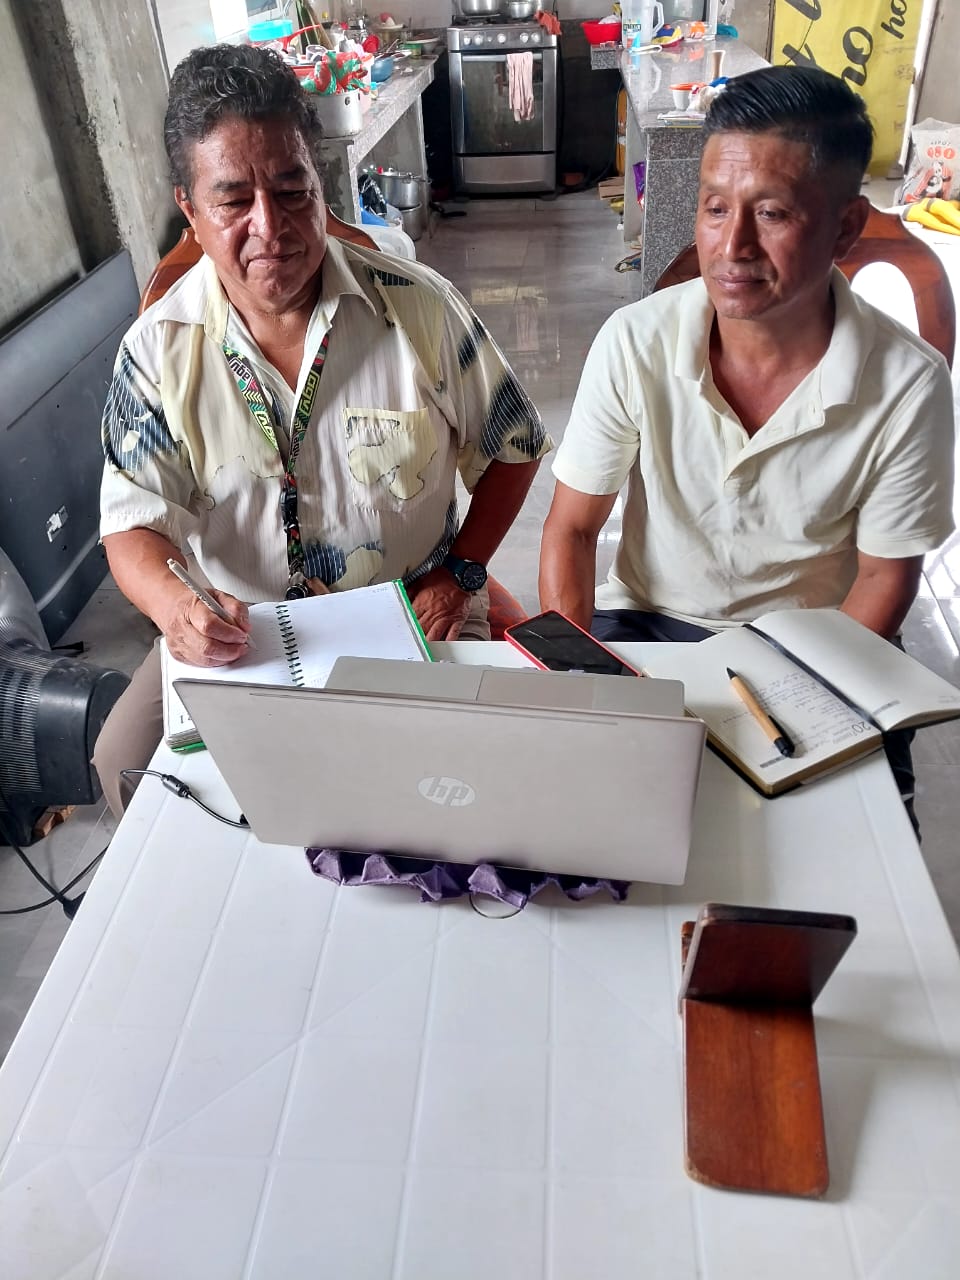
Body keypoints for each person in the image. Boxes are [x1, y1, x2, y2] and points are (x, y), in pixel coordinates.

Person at [95, 43, 549, 818]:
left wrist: (462, 571)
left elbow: (515, 449)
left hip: (414, 608)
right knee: (126, 769)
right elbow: (132, 524)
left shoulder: (418, 309)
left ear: (320, 185)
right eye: (234, 201)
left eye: (291, 190)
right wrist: (178, 611)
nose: (271, 227)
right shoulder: (158, 350)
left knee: (443, 797)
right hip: (251, 639)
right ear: (191, 211)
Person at [539, 66, 955, 818]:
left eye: (771, 213)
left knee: (846, 839)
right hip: (650, 623)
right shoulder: (635, 341)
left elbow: (883, 579)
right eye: (714, 208)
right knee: (588, 824)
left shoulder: (906, 383)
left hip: (819, 643)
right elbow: (571, 528)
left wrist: (806, 701)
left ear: (846, 227)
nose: (732, 246)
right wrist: (581, 682)